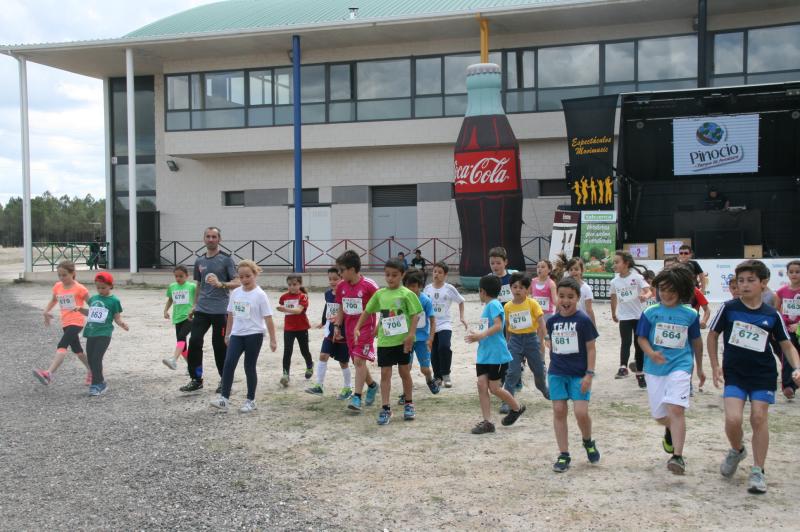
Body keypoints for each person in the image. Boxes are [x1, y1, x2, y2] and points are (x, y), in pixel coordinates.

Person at [708, 259, 800, 494]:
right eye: (741, 281)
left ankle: (758, 471)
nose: (745, 285)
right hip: (735, 373)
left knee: (758, 418)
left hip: (763, 374)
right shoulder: (729, 308)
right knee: (733, 420)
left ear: (763, 283)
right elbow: (712, 335)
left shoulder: (771, 314)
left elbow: (787, 345)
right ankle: (737, 450)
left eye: (750, 280)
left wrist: (797, 367)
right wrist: (715, 365)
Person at [637, 266, 705, 475]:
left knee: (676, 409)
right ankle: (670, 428)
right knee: (660, 416)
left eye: (672, 290)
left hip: (681, 366)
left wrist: (700, 368)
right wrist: (651, 353)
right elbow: (641, 338)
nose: (666, 294)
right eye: (663, 289)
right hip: (655, 369)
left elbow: (696, 341)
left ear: (681, 291)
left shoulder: (690, 314)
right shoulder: (650, 313)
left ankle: (677, 456)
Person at [354, 259, 422, 425]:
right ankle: (385, 408)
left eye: (394, 275)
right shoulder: (380, 294)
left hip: (402, 342)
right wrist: (357, 327)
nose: (390, 278)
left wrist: (411, 335)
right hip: (385, 342)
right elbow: (367, 311)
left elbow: (415, 314)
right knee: (385, 374)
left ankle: (409, 403)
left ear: (402, 275)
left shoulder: (407, 294)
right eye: (387, 275)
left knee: (404, 372)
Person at [547, 277, 600, 472]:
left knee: (581, 413)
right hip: (557, 373)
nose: (565, 300)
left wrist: (589, 374)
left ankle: (588, 441)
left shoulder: (583, 321)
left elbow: (591, 349)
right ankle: (564, 454)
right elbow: (551, 343)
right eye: (561, 296)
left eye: (570, 296)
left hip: (579, 374)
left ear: (578, 298)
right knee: (559, 410)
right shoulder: (552, 321)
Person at [210, 261, 277, 413]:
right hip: (237, 334)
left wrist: (273, 340)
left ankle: (251, 400)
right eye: (241, 277)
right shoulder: (235, 293)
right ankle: (224, 399)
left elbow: (268, 318)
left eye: (248, 276)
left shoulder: (260, 295)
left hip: (254, 334)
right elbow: (230, 314)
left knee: (249, 366)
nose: (245, 279)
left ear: (255, 275)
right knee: (229, 363)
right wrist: (227, 334)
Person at [465, 274, 526, 434]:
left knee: (494, 388)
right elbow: (489, 328)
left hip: (496, 355)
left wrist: (480, 335)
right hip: (484, 355)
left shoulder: (494, 304)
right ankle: (487, 422)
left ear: (482, 291)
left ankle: (516, 408)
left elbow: (498, 326)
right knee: (481, 385)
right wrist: (477, 334)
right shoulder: (489, 306)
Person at [182, 227, 239, 394]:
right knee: (194, 342)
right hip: (202, 309)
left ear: (219, 239)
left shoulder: (226, 259)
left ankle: (225, 380)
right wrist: (194, 305)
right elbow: (199, 284)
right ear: (204, 239)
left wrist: (222, 284)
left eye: (214, 236)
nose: (211, 239)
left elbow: (237, 282)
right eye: (208, 236)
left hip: (220, 311)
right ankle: (196, 379)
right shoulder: (199, 261)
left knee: (219, 346)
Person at [334, 250, 380, 413]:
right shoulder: (341, 286)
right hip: (349, 331)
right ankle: (372, 385)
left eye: (342, 270)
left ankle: (357, 397)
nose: (339, 274)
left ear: (352, 269)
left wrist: (379, 326)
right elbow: (341, 307)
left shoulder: (369, 285)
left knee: (359, 361)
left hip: (365, 330)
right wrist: (337, 326)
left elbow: (385, 304)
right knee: (357, 362)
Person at [34, 260, 92, 386]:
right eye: (59, 275)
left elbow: (93, 305)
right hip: (65, 322)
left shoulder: (80, 289)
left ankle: (48, 373)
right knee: (77, 351)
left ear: (73, 273)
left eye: (64, 275)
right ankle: (92, 370)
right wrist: (46, 311)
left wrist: (85, 311)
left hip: (77, 322)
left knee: (62, 344)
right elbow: (53, 300)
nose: (61, 278)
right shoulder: (57, 286)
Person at [500, 272, 548, 414]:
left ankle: (543, 388)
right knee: (512, 372)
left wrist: (543, 339)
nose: (518, 290)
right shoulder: (507, 307)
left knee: (538, 371)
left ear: (527, 290)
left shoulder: (532, 303)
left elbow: (541, 322)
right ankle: (507, 401)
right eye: (515, 287)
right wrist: (507, 342)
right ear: (510, 288)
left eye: (521, 287)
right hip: (514, 341)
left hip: (531, 340)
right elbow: (508, 326)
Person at [78, 272, 129, 396]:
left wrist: (122, 324)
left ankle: (96, 384)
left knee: (96, 358)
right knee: (91, 360)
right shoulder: (94, 299)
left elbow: (117, 317)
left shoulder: (114, 301)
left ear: (110, 286)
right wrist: (80, 309)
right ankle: (101, 382)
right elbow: (90, 313)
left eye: (103, 287)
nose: (100, 290)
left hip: (104, 333)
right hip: (91, 332)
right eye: (98, 288)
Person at [305, 267, 353, 400]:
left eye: (335, 279)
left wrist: (341, 322)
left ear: (342, 278)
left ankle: (348, 387)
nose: (332, 282)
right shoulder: (328, 293)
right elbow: (327, 307)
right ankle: (319, 386)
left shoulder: (347, 294)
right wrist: (323, 322)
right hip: (330, 330)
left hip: (343, 332)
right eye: (330, 279)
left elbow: (349, 312)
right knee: (323, 355)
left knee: (343, 362)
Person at [610, 250, 651, 387]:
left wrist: (645, 296)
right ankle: (623, 367)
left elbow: (649, 291)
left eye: (617, 262)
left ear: (626, 263)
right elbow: (613, 298)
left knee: (639, 344)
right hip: (624, 317)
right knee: (625, 342)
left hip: (639, 316)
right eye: (614, 262)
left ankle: (640, 373)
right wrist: (613, 313)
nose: (614, 265)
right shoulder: (614, 282)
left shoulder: (637, 277)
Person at [423, 261, 467, 388]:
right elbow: (422, 306)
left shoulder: (449, 288)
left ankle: (446, 374)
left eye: (440, 272)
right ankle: (438, 377)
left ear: (445, 275)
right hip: (431, 325)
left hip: (445, 324)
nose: (436, 274)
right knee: (434, 351)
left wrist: (462, 317)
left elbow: (461, 301)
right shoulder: (427, 289)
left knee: (444, 347)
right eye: (435, 271)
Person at [399, 268, 440, 402]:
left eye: (414, 286)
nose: (411, 289)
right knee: (406, 368)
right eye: (408, 286)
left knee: (424, 369)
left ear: (420, 286)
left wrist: (431, 339)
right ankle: (406, 394)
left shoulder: (425, 301)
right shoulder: (403, 300)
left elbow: (433, 321)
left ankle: (430, 379)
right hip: (407, 340)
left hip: (422, 340)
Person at [277, 274, 313, 387]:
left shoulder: (303, 297)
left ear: (300, 284)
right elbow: (281, 304)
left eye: (294, 284)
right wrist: (283, 308)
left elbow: (298, 311)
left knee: (304, 350)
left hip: (302, 328)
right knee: (287, 351)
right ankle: (285, 374)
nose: (292, 287)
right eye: (289, 285)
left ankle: (309, 365)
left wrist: (285, 309)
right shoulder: (283, 297)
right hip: (289, 328)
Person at [774, 260, 800, 399]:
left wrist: (798, 325)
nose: (794, 274)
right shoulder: (781, 292)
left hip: (798, 327)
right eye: (791, 272)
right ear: (787, 273)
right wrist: (782, 325)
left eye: (797, 272)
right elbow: (776, 311)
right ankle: (789, 386)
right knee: (788, 357)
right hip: (787, 329)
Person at [162, 265, 196, 370]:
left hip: (189, 317)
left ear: (187, 276)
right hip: (177, 318)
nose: (178, 278)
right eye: (176, 276)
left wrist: (194, 309)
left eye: (181, 276)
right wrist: (165, 310)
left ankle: (173, 360)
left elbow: (199, 298)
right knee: (182, 346)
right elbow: (170, 299)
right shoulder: (172, 286)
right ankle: (191, 366)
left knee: (181, 337)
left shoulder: (192, 286)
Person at [565, 257, 596, 325]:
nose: (573, 271)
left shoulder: (586, 289)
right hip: (568, 322)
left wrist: (593, 326)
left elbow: (589, 310)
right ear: (568, 271)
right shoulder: (565, 287)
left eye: (576, 269)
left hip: (582, 322)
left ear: (581, 270)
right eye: (571, 269)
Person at [531, 260, 558, 326]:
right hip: (535, 314)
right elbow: (529, 296)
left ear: (549, 270)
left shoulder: (551, 283)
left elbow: (555, 301)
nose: (539, 269)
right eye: (538, 267)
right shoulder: (533, 281)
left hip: (547, 315)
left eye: (543, 267)